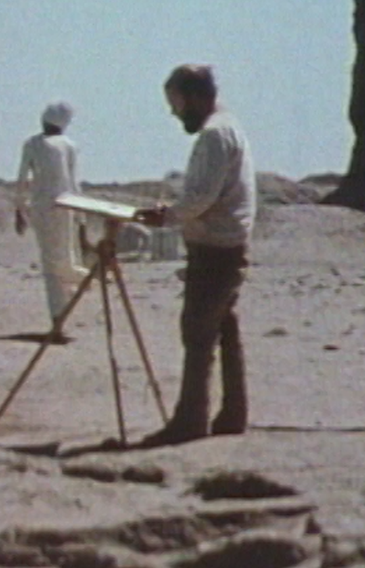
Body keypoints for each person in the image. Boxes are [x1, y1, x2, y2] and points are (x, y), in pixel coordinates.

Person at [135, 64, 257, 447]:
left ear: (195, 97)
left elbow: (202, 197)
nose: (174, 113)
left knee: (198, 332)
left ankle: (190, 420)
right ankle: (232, 413)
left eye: (177, 103)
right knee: (223, 329)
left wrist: (168, 216)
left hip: (216, 247)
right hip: (225, 243)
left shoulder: (215, 134)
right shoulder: (226, 127)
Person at [15, 101, 89, 335]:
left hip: (43, 208)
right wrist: (81, 216)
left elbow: (22, 180)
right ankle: (68, 306)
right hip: (67, 206)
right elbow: (74, 183)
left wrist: (20, 209)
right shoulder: (70, 145)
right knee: (64, 259)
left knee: (52, 265)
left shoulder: (33, 144)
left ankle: (59, 318)